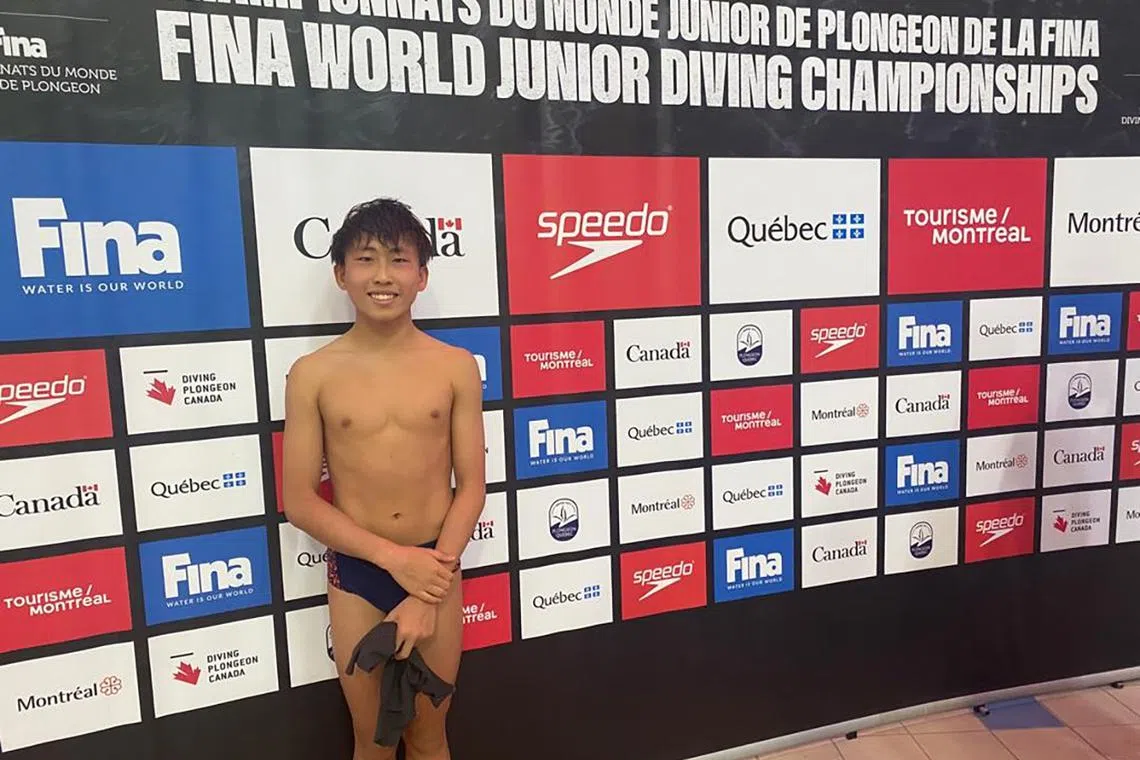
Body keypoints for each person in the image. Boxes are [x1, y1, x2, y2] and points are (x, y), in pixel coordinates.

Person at [281, 198, 486, 760]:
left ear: (421, 275)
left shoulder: (455, 366)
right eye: (365, 259)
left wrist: (429, 582)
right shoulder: (312, 374)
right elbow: (298, 499)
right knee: (371, 743)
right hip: (360, 574)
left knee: (429, 738)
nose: (381, 276)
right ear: (340, 274)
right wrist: (393, 560)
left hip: (437, 568)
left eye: (398, 260)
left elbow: (471, 486)